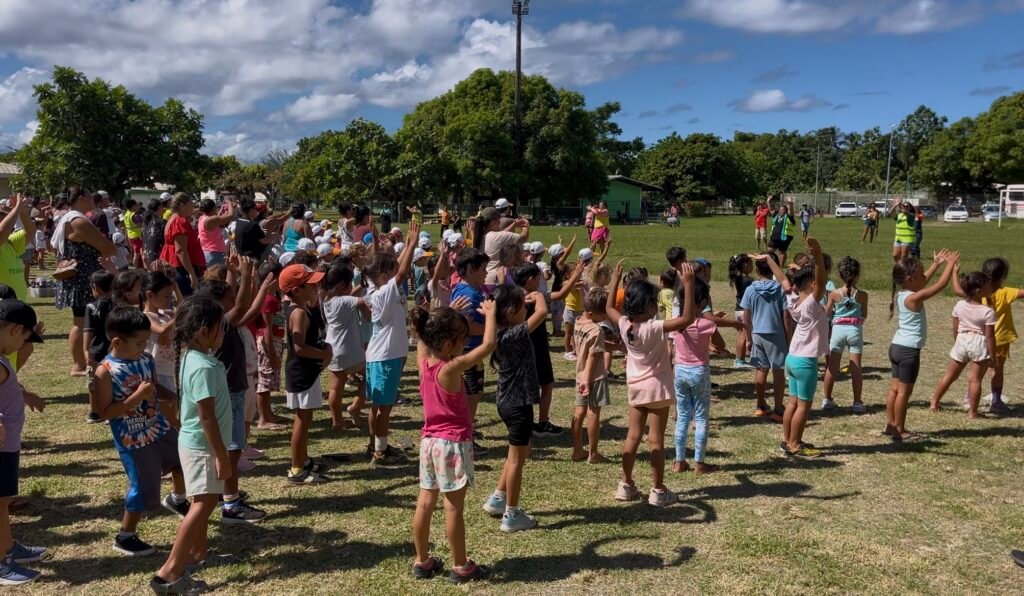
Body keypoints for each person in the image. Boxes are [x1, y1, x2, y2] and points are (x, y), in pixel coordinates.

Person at [410, 301, 496, 584]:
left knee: (424, 503)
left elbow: (422, 337)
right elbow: (487, 346)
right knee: (453, 507)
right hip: (452, 445)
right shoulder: (451, 368)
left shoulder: (424, 365)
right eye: (462, 340)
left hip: (429, 443)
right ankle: (461, 565)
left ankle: (422, 561)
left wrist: (434, 313)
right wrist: (492, 316)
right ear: (449, 344)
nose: (465, 344)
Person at [151, 295, 233, 594]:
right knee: (202, 505)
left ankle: (198, 553)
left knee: (205, 501)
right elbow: (207, 417)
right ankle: (169, 572)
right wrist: (222, 456)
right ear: (202, 331)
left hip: (195, 443)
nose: (224, 332)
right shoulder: (203, 367)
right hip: (203, 447)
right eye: (220, 328)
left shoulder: (194, 358)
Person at [93, 307, 189, 557]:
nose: (143, 346)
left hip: (158, 427)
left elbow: (155, 388)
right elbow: (105, 412)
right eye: (138, 342)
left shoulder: (145, 359)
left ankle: (178, 499)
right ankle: (126, 535)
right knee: (143, 485)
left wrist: (178, 397)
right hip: (133, 439)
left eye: (146, 341)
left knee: (181, 460)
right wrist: (135, 398)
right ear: (117, 341)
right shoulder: (105, 372)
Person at [605, 260, 697, 507]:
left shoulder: (625, 325)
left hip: (635, 386)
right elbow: (687, 318)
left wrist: (615, 281)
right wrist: (687, 284)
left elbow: (608, 307)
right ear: (646, 307)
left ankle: (626, 484)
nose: (656, 306)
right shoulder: (654, 327)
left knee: (632, 436)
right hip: (657, 388)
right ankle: (657, 489)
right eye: (653, 303)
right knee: (656, 440)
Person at [197, 262, 266, 523]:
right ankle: (231, 504)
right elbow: (241, 307)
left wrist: (235, 274)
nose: (234, 298)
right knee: (233, 450)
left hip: (232, 391)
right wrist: (246, 275)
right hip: (230, 393)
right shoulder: (221, 323)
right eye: (229, 296)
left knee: (231, 449)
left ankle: (225, 494)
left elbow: (240, 305)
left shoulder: (214, 321)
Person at [481, 285, 547, 532]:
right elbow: (541, 314)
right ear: (509, 312)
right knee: (518, 460)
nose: (527, 307)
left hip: (509, 403)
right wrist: (538, 295)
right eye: (522, 305)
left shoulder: (501, 332)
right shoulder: (514, 334)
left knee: (517, 452)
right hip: (517, 405)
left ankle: (498, 497)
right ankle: (511, 513)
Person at [885, 250, 958, 442]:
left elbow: (923, 282)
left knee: (894, 389)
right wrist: (950, 264)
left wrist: (936, 264)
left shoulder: (903, 293)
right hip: (908, 351)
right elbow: (940, 285)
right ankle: (900, 430)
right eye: (920, 274)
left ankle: (890, 425)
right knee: (903, 393)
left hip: (896, 347)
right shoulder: (913, 298)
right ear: (910, 279)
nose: (923, 277)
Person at [0, 300, 46, 586]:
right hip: (2, 444)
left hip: (8, 444)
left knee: (2, 501)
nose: (24, 346)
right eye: (26, 338)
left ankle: (8, 547)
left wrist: (24, 394)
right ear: (16, 330)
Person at [365, 224, 419, 465]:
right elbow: (402, 271)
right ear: (383, 276)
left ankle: (374, 444)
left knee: (378, 406)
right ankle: (381, 451)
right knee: (384, 408)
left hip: (382, 355)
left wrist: (407, 246)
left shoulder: (380, 290)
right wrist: (411, 244)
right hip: (385, 357)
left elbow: (399, 270)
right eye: (393, 268)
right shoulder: (383, 292)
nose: (399, 269)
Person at [53, 186, 117, 377]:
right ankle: (79, 364)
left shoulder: (67, 218)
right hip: (84, 279)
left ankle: (80, 364)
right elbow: (106, 247)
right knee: (82, 322)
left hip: (79, 277)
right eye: (90, 196)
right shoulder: (78, 220)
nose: (93, 199)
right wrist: (110, 248)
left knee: (81, 321)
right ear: (81, 198)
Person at [280, 264, 332, 484]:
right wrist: (324, 354)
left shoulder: (301, 307)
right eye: (311, 285)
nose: (316, 287)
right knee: (302, 420)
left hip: (305, 372)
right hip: (302, 373)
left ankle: (303, 459)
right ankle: (297, 468)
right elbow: (299, 347)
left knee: (306, 418)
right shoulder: (299, 313)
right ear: (297, 290)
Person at [780, 238, 828, 458]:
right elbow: (822, 277)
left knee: (792, 401)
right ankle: (795, 443)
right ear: (810, 285)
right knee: (804, 406)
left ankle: (787, 439)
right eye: (815, 282)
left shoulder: (794, 300)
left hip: (792, 358)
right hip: (805, 361)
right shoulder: (811, 302)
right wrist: (817, 255)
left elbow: (784, 279)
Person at [929, 270, 996, 418]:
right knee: (975, 380)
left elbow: (955, 326)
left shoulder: (959, 305)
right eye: (988, 286)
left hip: (961, 341)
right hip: (978, 343)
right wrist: (992, 356)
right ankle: (973, 412)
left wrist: (957, 341)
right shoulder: (988, 312)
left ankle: (934, 403)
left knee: (949, 375)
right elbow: (990, 337)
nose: (991, 288)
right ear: (979, 291)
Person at [450, 248, 490, 457]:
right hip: (468, 352)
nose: (486, 272)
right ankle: (466, 440)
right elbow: (467, 324)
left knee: (471, 395)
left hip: (471, 352)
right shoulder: (469, 293)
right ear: (472, 270)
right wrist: (492, 330)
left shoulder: (468, 289)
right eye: (483, 269)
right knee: (470, 397)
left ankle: (466, 433)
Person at [741, 253, 788, 421]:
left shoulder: (750, 289)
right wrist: (788, 335)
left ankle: (760, 404)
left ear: (756, 269)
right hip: (776, 332)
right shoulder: (780, 288)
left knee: (761, 369)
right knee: (778, 371)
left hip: (757, 333)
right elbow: (785, 315)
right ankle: (778, 408)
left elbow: (746, 316)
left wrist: (748, 338)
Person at [323, 266, 368, 431]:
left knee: (335, 388)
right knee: (370, 376)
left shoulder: (328, 300)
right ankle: (356, 406)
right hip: (351, 350)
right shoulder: (345, 301)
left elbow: (350, 296)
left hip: (333, 349)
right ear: (343, 285)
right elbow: (363, 301)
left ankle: (337, 421)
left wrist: (360, 287)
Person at [822, 257, 869, 414]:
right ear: (857, 275)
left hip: (838, 331)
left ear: (840, 275)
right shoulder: (863, 295)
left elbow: (827, 313)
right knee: (856, 367)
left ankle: (827, 399)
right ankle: (857, 402)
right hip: (855, 330)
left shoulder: (834, 294)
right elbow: (865, 314)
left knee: (832, 367)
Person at [571, 287, 611, 463]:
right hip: (593, 378)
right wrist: (588, 380)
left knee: (578, 413)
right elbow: (594, 356)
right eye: (603, 316)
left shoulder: (578, 321)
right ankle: (593, 453)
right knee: (593, 413)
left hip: (580, 375)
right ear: (591, 313)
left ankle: (577, 450)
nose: (605, 319)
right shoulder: (596, 330)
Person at [978, 258, 1023, 414]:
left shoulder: (979, 292)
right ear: (1003, 276)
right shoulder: (1005, 292)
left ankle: (970, 397)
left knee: (978, 369)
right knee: (997, 370)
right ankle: (996, 400)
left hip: (982, 337)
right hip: (1000, 340)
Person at [472, 207, 529, 289]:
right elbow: (523, 237)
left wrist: (514, 225)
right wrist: (525, 226)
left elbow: (502, 234)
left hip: (483, 280)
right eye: (499, 219)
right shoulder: (497, 237)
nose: (500, 222)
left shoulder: (481, 236)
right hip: (496, 280)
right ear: (492, 221)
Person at [160, 193, 206, 297]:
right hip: (181, 268)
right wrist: (192, 273)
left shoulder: (174, 218)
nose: (192, 207)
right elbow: (181, 250)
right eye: (191, 204)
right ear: (182, 205)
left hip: (175, 265)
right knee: (187, 300)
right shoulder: (180, 221)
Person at [728, 254, 755, 368]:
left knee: (741, 334)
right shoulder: (748, 280)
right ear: (745, 265)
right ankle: (740, 360)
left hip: (738, 309)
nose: (752, 266)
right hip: (745, 311)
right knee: (744, 335)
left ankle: (738, 359)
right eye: (751, 263)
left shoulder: (738, 278)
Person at [197, 199, 235, 267]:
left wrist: (222, 208)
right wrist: (229, 203)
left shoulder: (202, 218)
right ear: (213, 208)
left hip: (207, 252)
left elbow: (217, 217)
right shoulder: (211, 220)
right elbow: (231, 215)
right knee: (219, 276)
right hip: (215, 253)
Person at [768, 200, 796, 265]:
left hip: (784, 237)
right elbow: (771, 210)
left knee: (782, 252)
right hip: (774, 237)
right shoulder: (777, 215)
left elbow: (791, 212)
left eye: (783, 210)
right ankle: (769, 263)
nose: (781, 211)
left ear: (786, 211)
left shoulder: (789, 217)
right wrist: (768, 201)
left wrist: (790, 205)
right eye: (780, 210)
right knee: (769, 251)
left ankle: (781, 266)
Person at [142, 199, 166, 267]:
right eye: (162, 206)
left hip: (147, 256)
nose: (163, 208)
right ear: (158, 207)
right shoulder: (161, 222)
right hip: (158, 257)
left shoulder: (145, 223)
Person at [122, 199, 145, 268]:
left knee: (135, 253)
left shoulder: (126, 214)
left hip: (130, 236)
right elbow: (141, 224)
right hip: (137, 236)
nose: (139, 206)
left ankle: (137, 267)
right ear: (133, 206)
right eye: (137, 205)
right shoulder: (134, 215)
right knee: (137, 254)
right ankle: (136, 269)